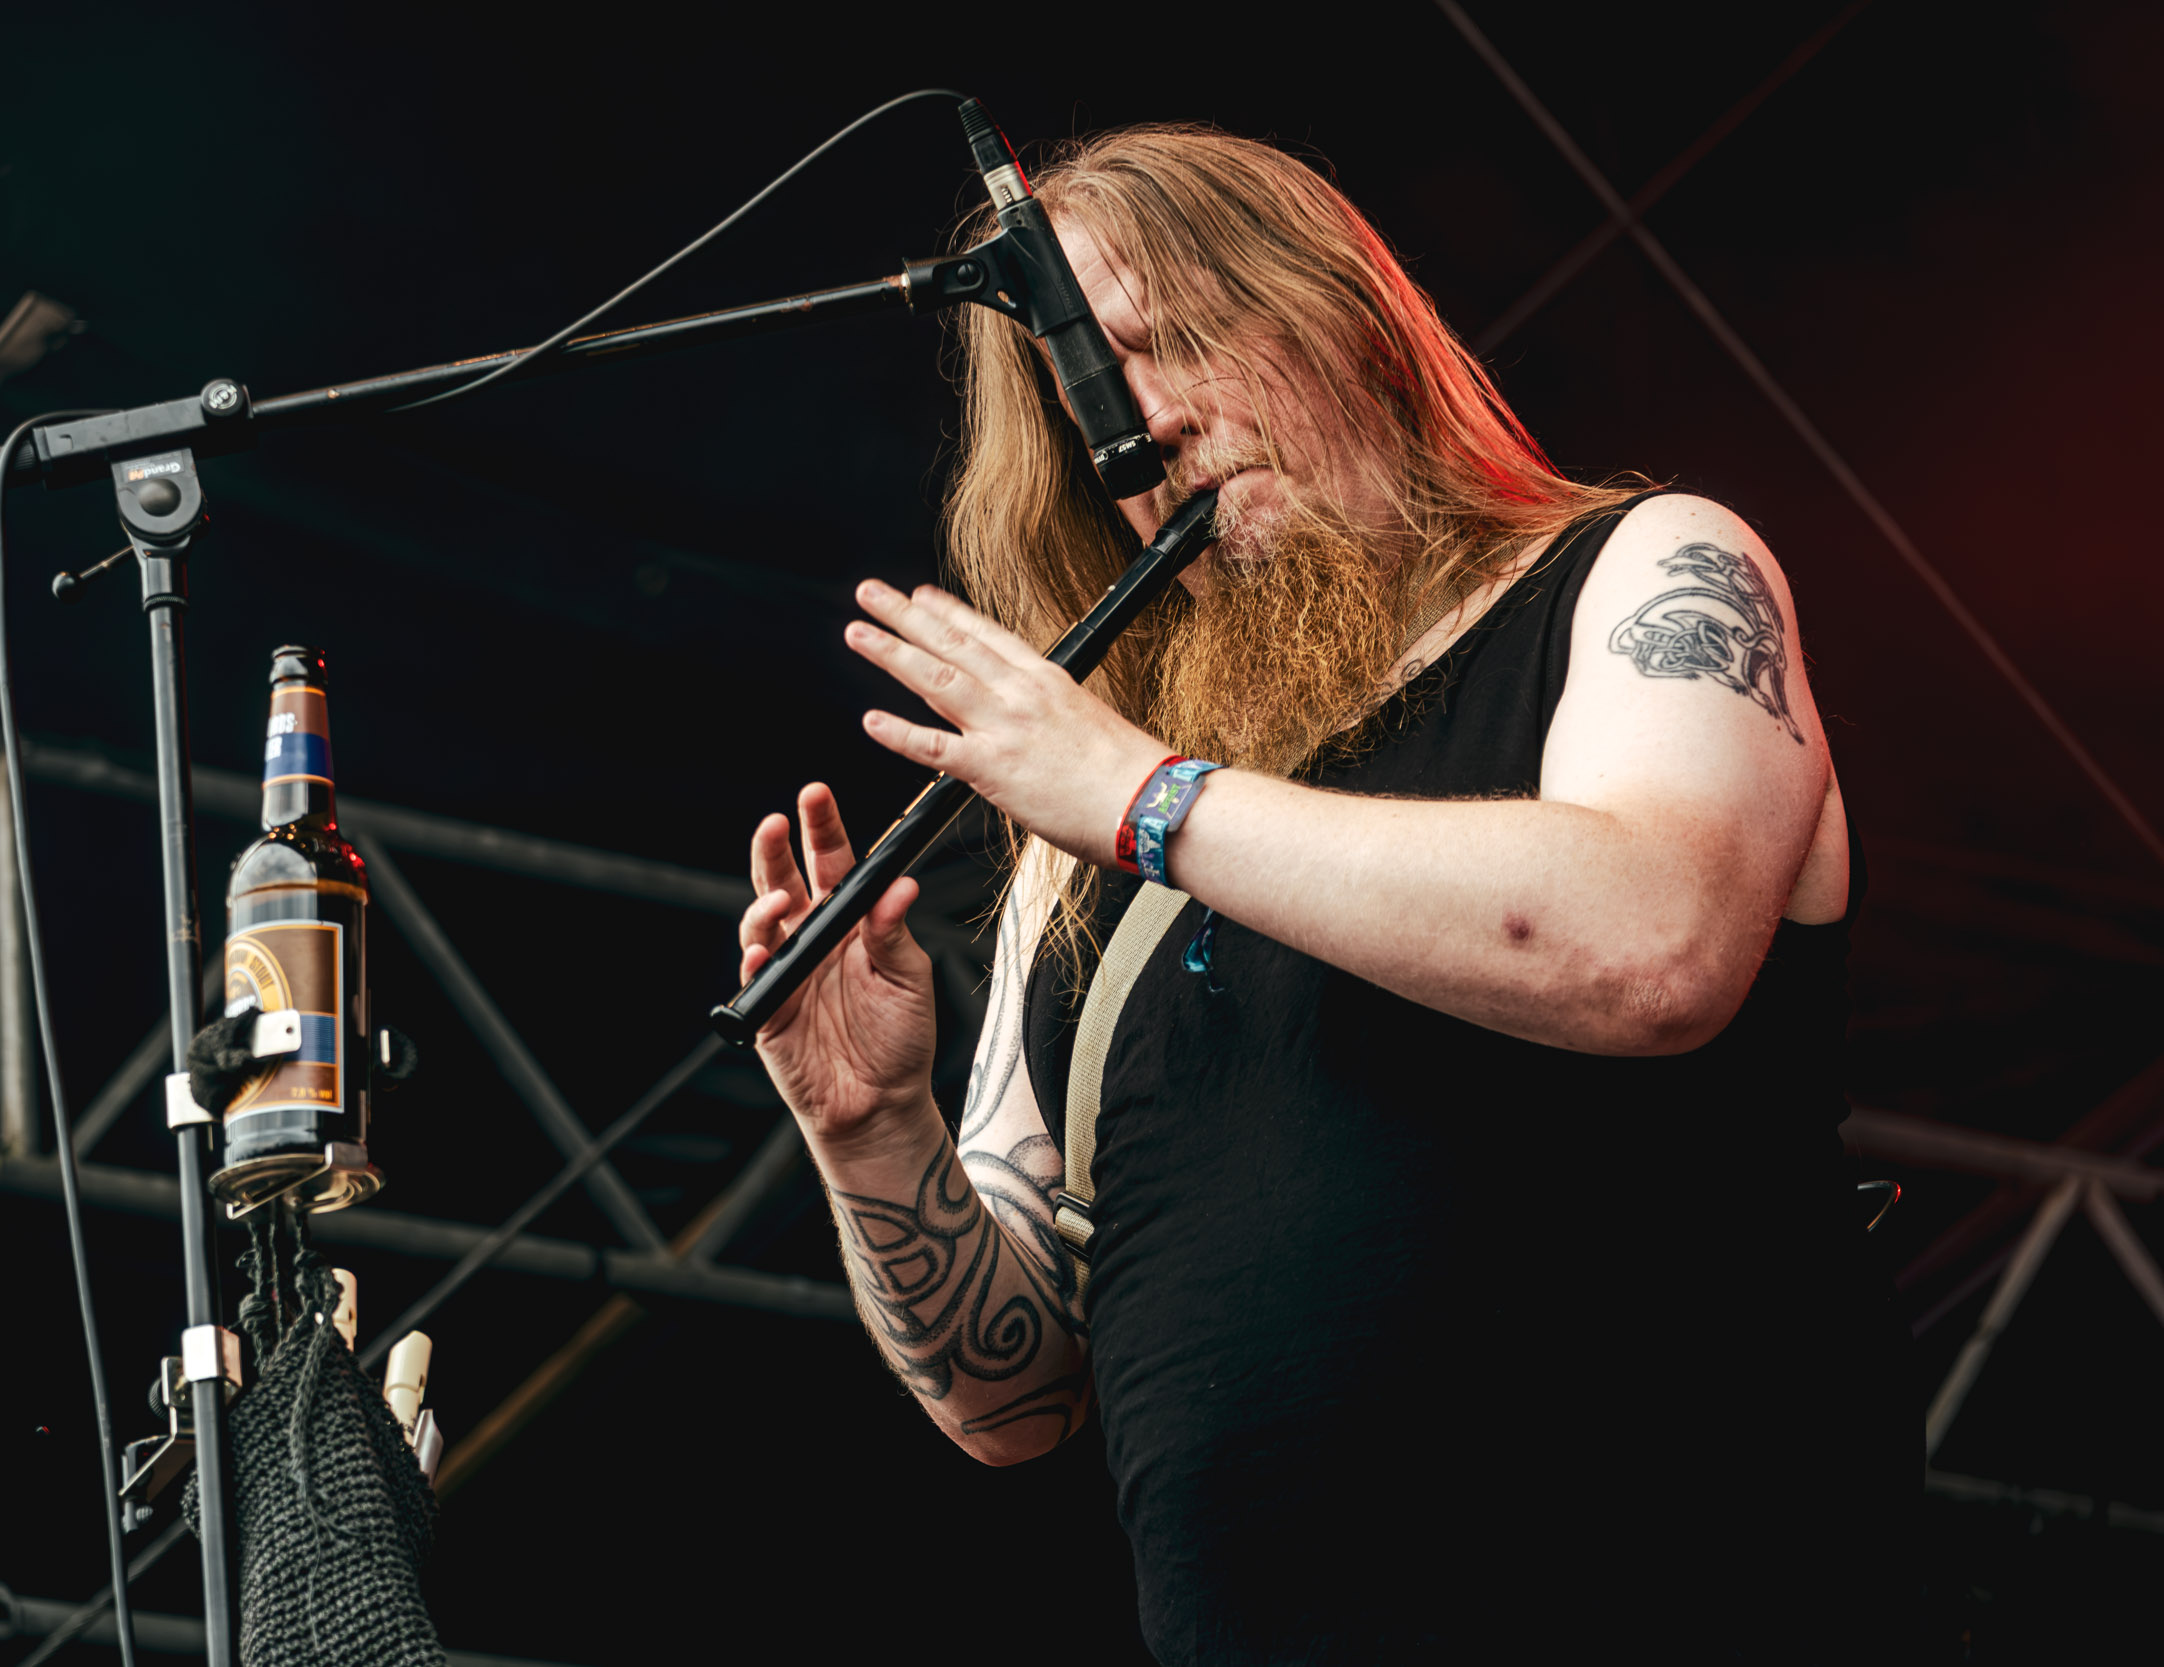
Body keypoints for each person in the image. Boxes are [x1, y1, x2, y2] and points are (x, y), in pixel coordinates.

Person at [737, 125, 1913, 1664]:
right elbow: (1006, 1397)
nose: (1148, 423)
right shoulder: (1083, 851)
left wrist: (1144, 799)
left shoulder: (1645, 572)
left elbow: (1653, 942)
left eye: (1173, 342)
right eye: (1092, 400)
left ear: (1337, 315)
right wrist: (871, 1132)